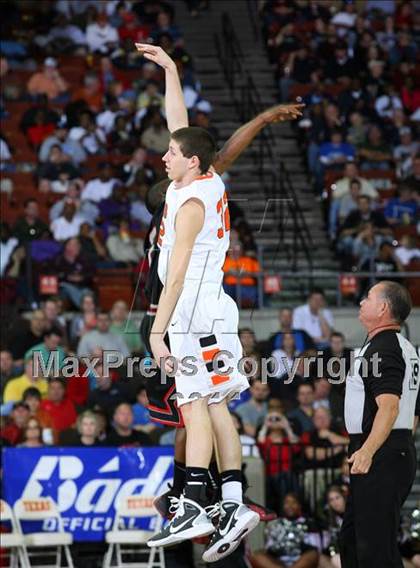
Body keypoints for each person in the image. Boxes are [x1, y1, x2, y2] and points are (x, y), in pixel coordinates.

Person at [135, 42, 304, 562]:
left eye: (171, 153)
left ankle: (190, 502)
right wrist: (171, 71)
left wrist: (159, 332)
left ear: (191, 161)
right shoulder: (202, 175)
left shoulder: (188, 201)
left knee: (194, 406)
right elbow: (180, 124)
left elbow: (179, 273)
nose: (163, 155)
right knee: (213, 405)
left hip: (193, 309)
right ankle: (233, 501)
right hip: (213, 308)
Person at [340, 281, 420, 568]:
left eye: (368, 297)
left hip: (380, 451)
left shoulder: (384, 348)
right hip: (389, 448)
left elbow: (390, 406)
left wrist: (369, 450)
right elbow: (413, 411)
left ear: (383, 308)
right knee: (352, 540)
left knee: (374, 550)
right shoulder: (403, 347)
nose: (362, 302)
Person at [252, 493, 320, 568]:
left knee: (313, 554)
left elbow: (316, 547)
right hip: (278, 561)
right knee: (257, 556)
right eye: (287, 503)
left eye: (293, 502)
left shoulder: (309, 523)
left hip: (301, 560)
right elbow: (269, 547)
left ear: (299, 505)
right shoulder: (274, 523)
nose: (290, 506)